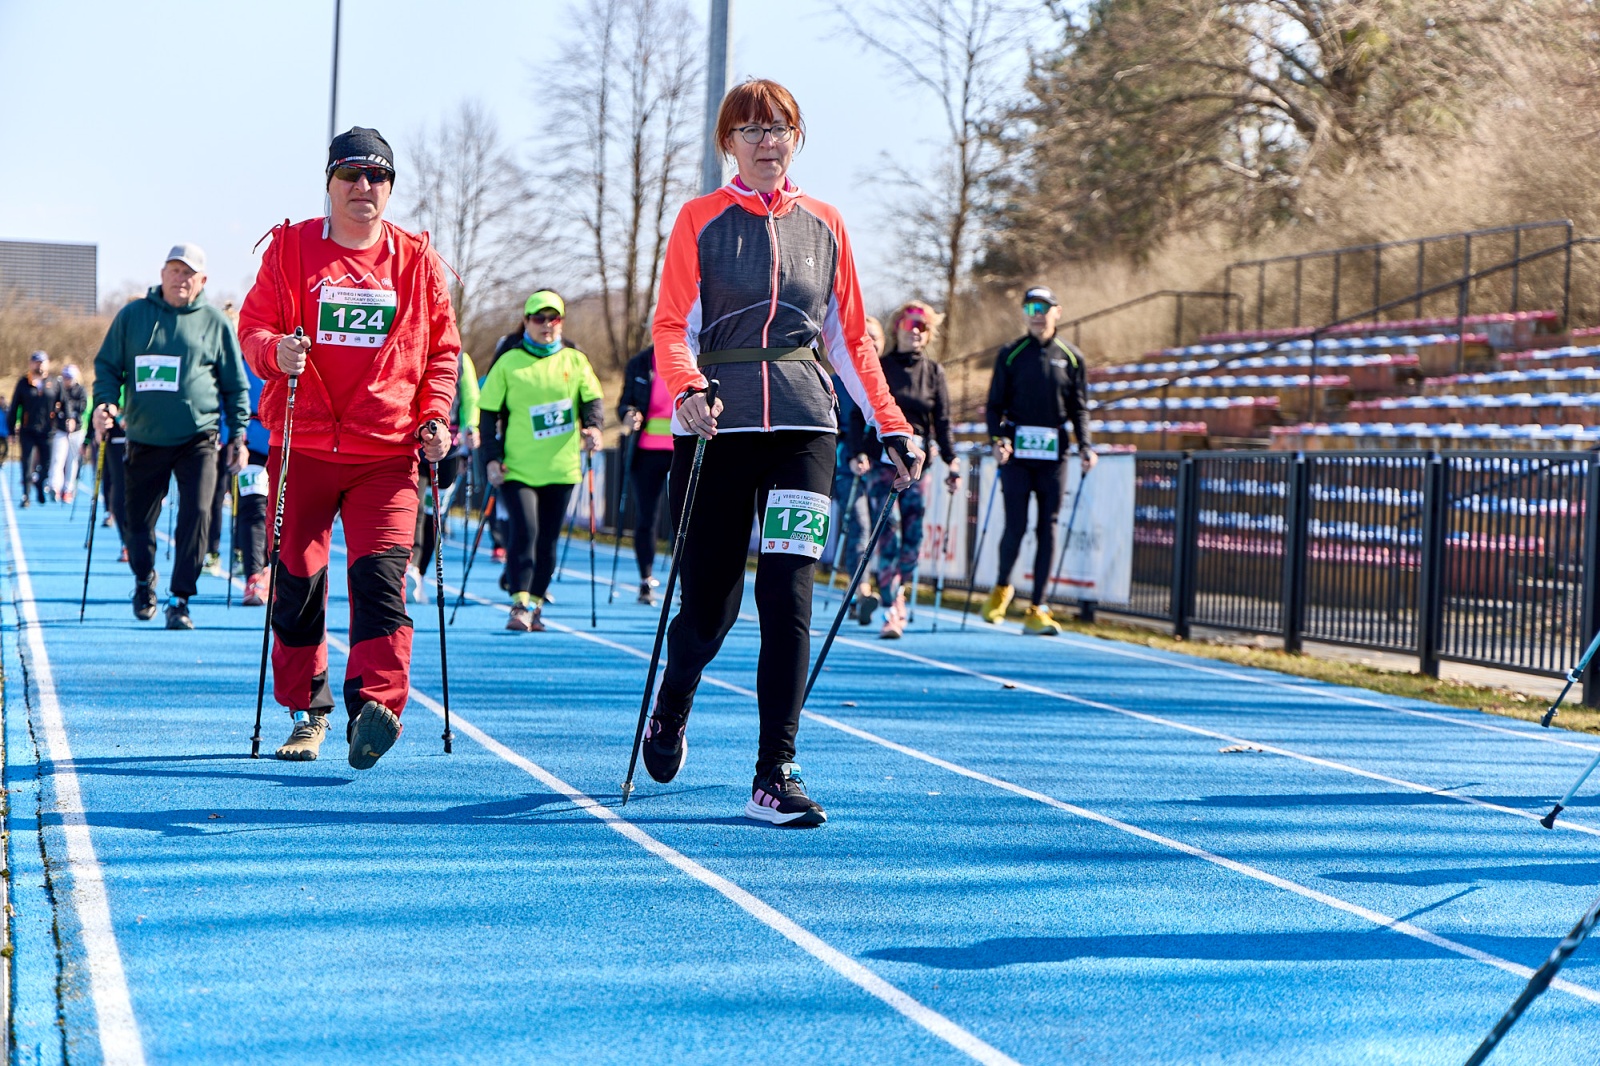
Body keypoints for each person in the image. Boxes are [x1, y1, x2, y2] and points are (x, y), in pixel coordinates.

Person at [641, 78, 921, 826]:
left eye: (782, 128)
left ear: (798, 139)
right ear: (728, 142)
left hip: (806, 425)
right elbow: (673, 326)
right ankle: (672, 703)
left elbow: (850, 336)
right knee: (710, 612)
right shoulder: (698, 220)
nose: (769, 141)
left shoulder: (826, 222)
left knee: (788, 597)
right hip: (717, 427)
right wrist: (688, 388)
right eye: (752, 129)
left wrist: (890, 423)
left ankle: (776, 770)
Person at [238, 127, 459, 767]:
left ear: (389, 188)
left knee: (381, 578)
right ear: (329, 183)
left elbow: (443, 352)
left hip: (386, 454)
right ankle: (308, 712)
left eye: (378, 177)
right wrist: (273, 353)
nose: (365, 187)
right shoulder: (290, 250)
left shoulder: (416, 261)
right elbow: (254, 326)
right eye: (352, 175)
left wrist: (436, 416)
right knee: (298, 583)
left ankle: (377, 708)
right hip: (302, 448)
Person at [91, 243, 250, 630]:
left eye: (189, 273)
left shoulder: (215, 323)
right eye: (175, 271)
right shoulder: (133, 316)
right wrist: (105, 404)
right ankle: (144, 579)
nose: (181, 279)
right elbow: (108, 367)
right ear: (162, 273)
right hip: (144, 436)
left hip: (199, 437)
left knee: (197, 515)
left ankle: (180, 599)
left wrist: (239, 435)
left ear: (203, 281)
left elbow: (235, 385)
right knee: (136, 521)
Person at [480, 291, 602, 631]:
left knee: (548, 539)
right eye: (539, 318)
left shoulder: (575, 360)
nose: (547, 325)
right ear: (526, 322)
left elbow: (592, 401)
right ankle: (519, 602)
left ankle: (535, 603)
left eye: (554, 318)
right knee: (525, 532)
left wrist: (594, 428)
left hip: (561, 468)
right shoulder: (508, 361)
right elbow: (488, 414)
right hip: (518, 468)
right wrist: (490, 458)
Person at [980, 285, 1096, 635]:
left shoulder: (1072, 357)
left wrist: (1086, 446)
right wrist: (997, 441)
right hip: (1017, 454)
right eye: (1031, 306)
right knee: (1016, 525)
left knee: (1049, 526)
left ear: (1057, 312)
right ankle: (1001, 588)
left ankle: (1037, 608)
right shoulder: (1011, 354)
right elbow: (993, 406)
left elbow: (1079, 408)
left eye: (1044, 307)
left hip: (1054, 455)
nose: (1037, 313)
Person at [848, 301, 959, 638]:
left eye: (923, 327)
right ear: (897, 326)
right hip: (883, 461)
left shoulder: (934, 373)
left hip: (918, 464)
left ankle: (900, 591)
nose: (916, 331)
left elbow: (942, 421)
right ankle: (891, 606)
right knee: (888, 531)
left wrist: (952, 460)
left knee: (913, 537)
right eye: (911, 324)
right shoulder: (879, 367)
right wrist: (857, 453)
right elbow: (858, 413)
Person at [408, 350, 479, 602]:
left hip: (448, 447)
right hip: (413, 443)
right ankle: (412, 568)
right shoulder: (411, 347)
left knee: (432, 513)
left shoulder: (460, 358)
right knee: (413, 508)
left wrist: (472, 427)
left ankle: (422, 571)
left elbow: (471, 398)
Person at [616, 344, 673, 604]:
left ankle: (685, 582)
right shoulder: (639, 362)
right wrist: (629, 414)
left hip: (683, 451)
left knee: (686, 519)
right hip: (646, 453)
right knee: (646, 518)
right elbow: (624, 402)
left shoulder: (695, 357)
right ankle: (645, 581)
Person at [830, 316, 880, 610]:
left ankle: (883, 590)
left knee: (885, 527)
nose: (871, 343)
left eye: (876, 338)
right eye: (866, 337)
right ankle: (861, 590)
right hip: (849, 466)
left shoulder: (886, 381)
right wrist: (849, 455)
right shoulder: (838, 382)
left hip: (883, 467)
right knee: (859, 526)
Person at [11, 351, 60, 507]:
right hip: (28, 430)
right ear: (30, 363)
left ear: (47, 363)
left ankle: (40, 483)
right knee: (27, 461)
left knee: (46, 463)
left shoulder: (54, 382)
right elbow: (14, 407)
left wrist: (68, 419)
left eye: (42, 362)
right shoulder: (24, 383)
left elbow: (64, 403)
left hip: (47, 430)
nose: (39, 365)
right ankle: (26, 495)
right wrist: (12, 430)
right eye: (36, 361)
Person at [50, 364, 88, 503]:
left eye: (69, 377)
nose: (67, 380)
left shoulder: (81, 390)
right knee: (58, 459)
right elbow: (54, 405)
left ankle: (68, 489)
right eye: (65, 377)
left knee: (72, 460)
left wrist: (70, 410)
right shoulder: (58, 389)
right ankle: (55, 487)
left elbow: (82, 406)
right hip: (60, 429)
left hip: (76, 430)